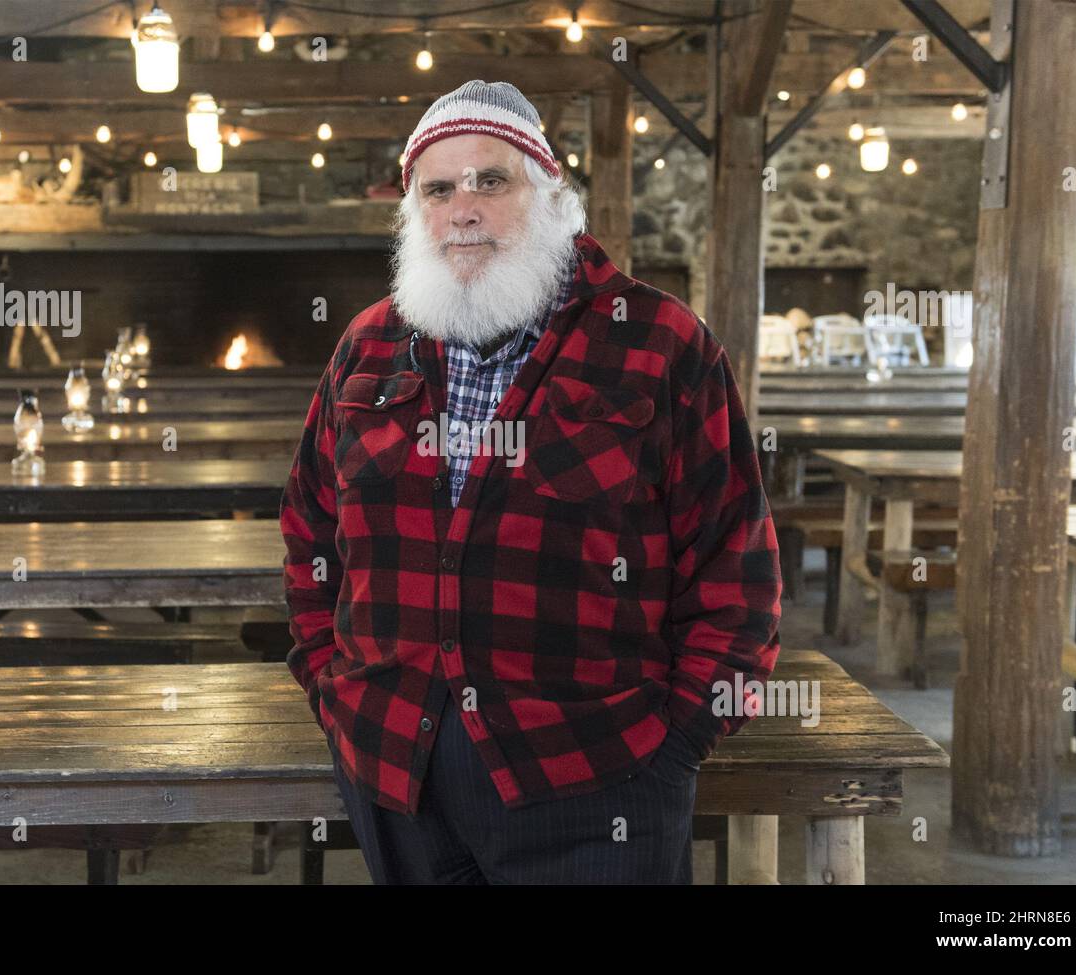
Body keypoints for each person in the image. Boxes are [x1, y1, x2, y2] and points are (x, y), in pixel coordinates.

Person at [281, 79, 781, 884]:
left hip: (597, 782)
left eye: (491, 180)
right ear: (416, 215)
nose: (463, 207)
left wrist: (678, 742)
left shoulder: (659, 343)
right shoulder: (366, 350)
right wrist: (332, 689)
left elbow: (737, 571)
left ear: (552, 195)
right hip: (395, 775)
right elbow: (309, 533)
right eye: (438, 189)